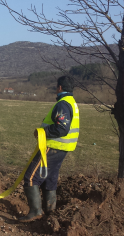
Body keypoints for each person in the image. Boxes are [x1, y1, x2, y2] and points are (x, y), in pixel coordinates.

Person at [19, 76, 79, 222]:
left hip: (53, 147)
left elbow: (61, 128)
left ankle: (36, 212)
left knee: (31, 177)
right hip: (63, 148)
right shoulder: (72, 102)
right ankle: (50, 213)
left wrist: (42, 132)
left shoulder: (63, 104)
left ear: (59, 88)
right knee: (49, 179)